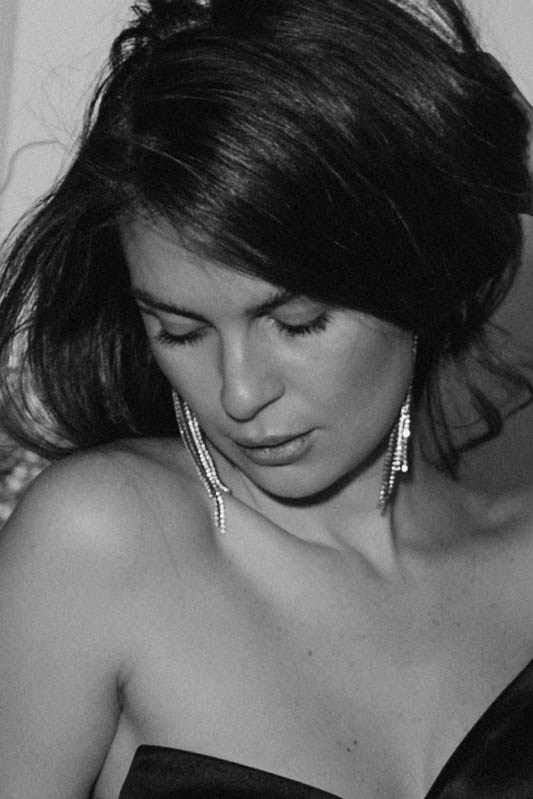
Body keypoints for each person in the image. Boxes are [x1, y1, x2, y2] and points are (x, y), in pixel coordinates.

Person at [0, 0, 532, 796]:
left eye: (297, 321)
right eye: (180, 331)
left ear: (420, 275)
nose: (240, 392)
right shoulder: (101, 541)